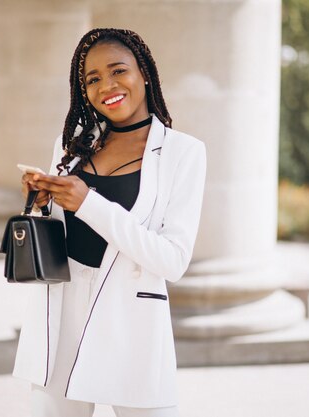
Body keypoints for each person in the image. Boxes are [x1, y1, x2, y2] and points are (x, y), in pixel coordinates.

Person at [15, 28, 206, 417]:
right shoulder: (72, 145)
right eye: (94, 79)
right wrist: (39, 203)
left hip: (130, 320)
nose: (108, 86)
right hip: (62, 313)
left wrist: (89, 203)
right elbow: (58, 234)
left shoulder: (183, 152)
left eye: (119, 71)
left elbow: (173, 260)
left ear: (145, 73)